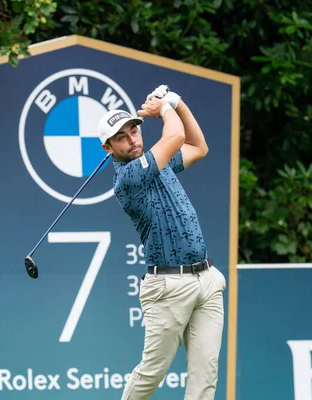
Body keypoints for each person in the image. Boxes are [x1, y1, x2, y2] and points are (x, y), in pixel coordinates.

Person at [97, 85, 227, 400]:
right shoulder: (129, 177)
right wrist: (165, 108)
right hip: (168, 285)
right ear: (108, 149)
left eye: (134, 131)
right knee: (152, 372)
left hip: (207, 281)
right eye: (122, 137)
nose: (132, 139)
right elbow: (175, 138)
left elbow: (199, 145)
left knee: (204, 378)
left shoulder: (160, 163)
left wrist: (177, 102)